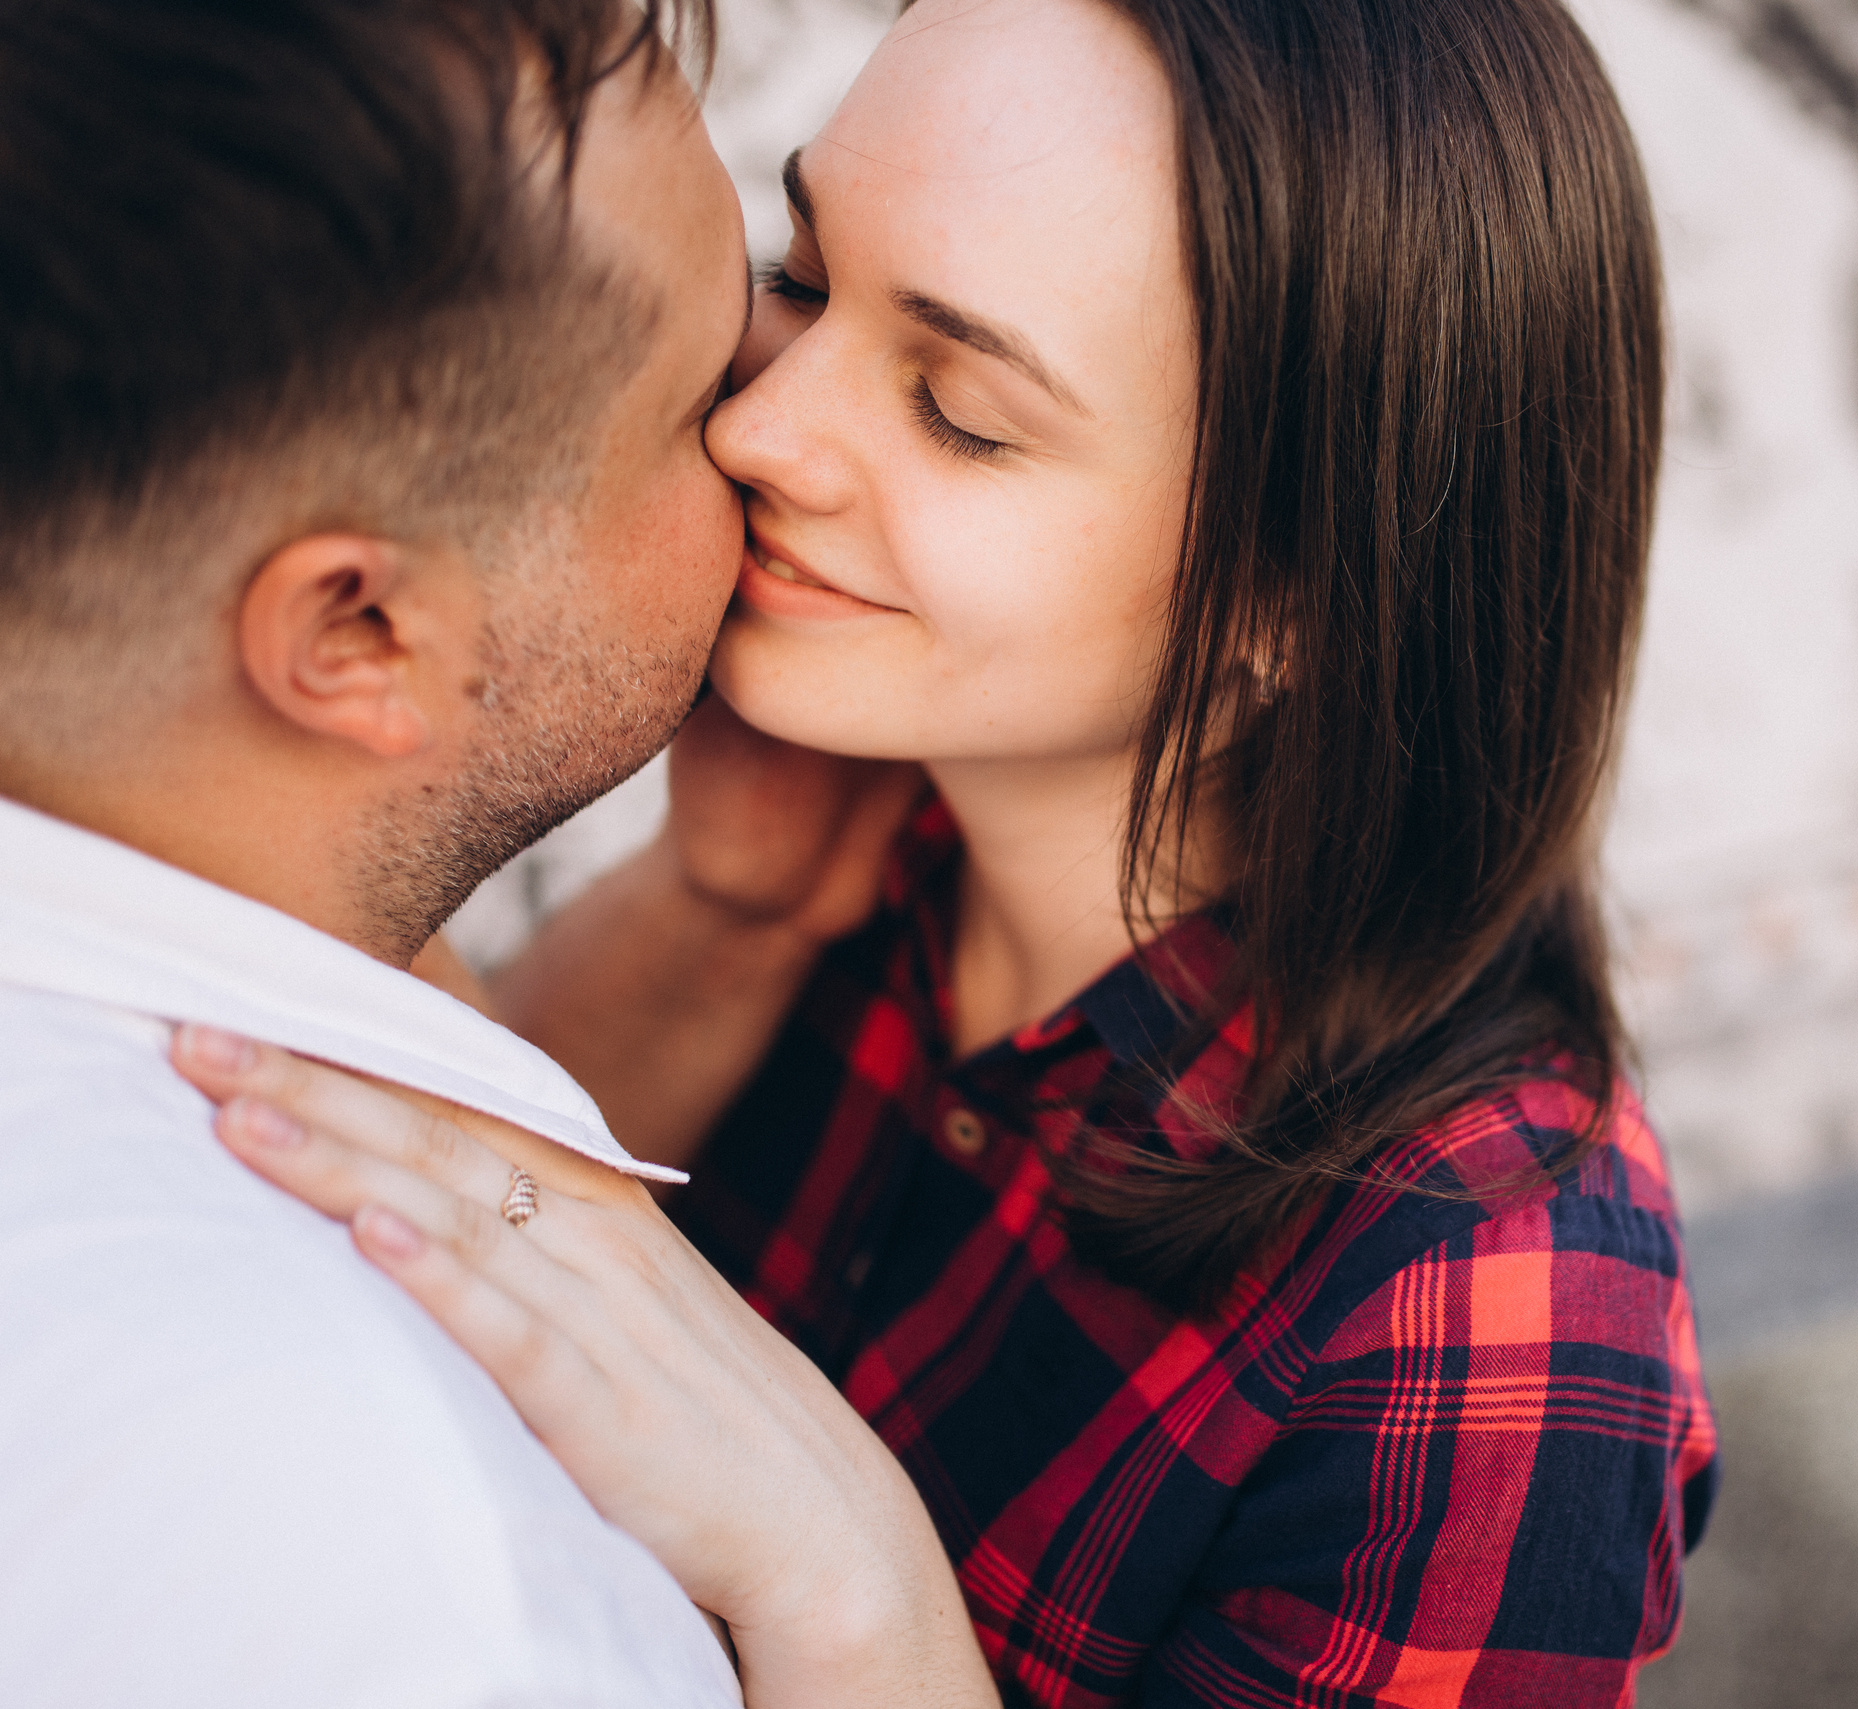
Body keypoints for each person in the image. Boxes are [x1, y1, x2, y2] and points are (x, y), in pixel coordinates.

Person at [172, 0, 1719, 1702]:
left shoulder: (1484, 1310)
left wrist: (850, 1581)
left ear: (1302, 587)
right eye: (810, 278)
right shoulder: (863, 819)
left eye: (963, 410)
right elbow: (471, 1242)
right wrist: (722, 911)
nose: (762, 430)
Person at [0, 0, 847, 1701]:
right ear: (364, 629)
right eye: (698, 396)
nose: (784, 419)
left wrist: (716, 915)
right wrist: (865, 1599)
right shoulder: (422, 1560)